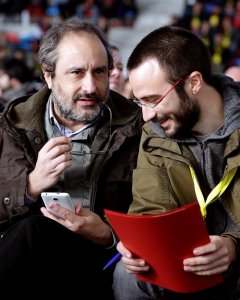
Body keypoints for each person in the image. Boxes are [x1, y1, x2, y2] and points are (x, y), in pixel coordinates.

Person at [0, 17, 143, 297]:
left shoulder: (140, 129)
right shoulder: (12, 126)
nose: (90, 87)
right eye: (77, 73)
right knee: (34, 229)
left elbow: (158, 213)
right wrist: (30, 185)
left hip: (101, 263)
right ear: (48, 76)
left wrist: (108, 234)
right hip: (25, 263)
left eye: (100, 72)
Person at [113, 25, 240, 300]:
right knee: (129, 274)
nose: (146, 115)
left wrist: (234, 247)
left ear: (193, 82)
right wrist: (139, 246)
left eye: (153, 100)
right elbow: (150, 209)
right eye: (139, 101)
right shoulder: (156, 133)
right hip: (190, 268)